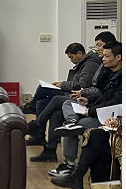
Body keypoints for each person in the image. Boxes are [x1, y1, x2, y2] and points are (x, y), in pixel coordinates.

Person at [27, 31, 117, 163]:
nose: (97, 49)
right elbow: (97, 90)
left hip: (93, 104)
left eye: (99, 45)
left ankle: (36, 123)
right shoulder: (101, 65)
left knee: (54, 99)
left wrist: (78, 91)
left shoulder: (94, 64)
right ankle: (52, 151)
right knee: (54, 113)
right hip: (88, 99)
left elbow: (90, 88)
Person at [50, 41, 121, 175]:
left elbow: (115, 103)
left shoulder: (120, 78)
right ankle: (71, 121)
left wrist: (91, 110)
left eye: (106, 56)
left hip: (107, 117)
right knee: (68, 105)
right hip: (97, 108)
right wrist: (88, 100)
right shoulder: (108, 73)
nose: (103, 59)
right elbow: (101, 95)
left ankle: (70, 165)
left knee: (72, 126)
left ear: (118, 57)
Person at [21, 42, 100, 118]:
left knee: (42, 88)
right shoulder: (83, 63)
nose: (71, 60)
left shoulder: (90, 65)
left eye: (71, 57)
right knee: (40, 103)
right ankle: (38, 126)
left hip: (77, 95)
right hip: (71, 91)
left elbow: (82, 86)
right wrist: (61, 84)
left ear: (79, 53)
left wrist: (62, 85)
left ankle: (31, 107)